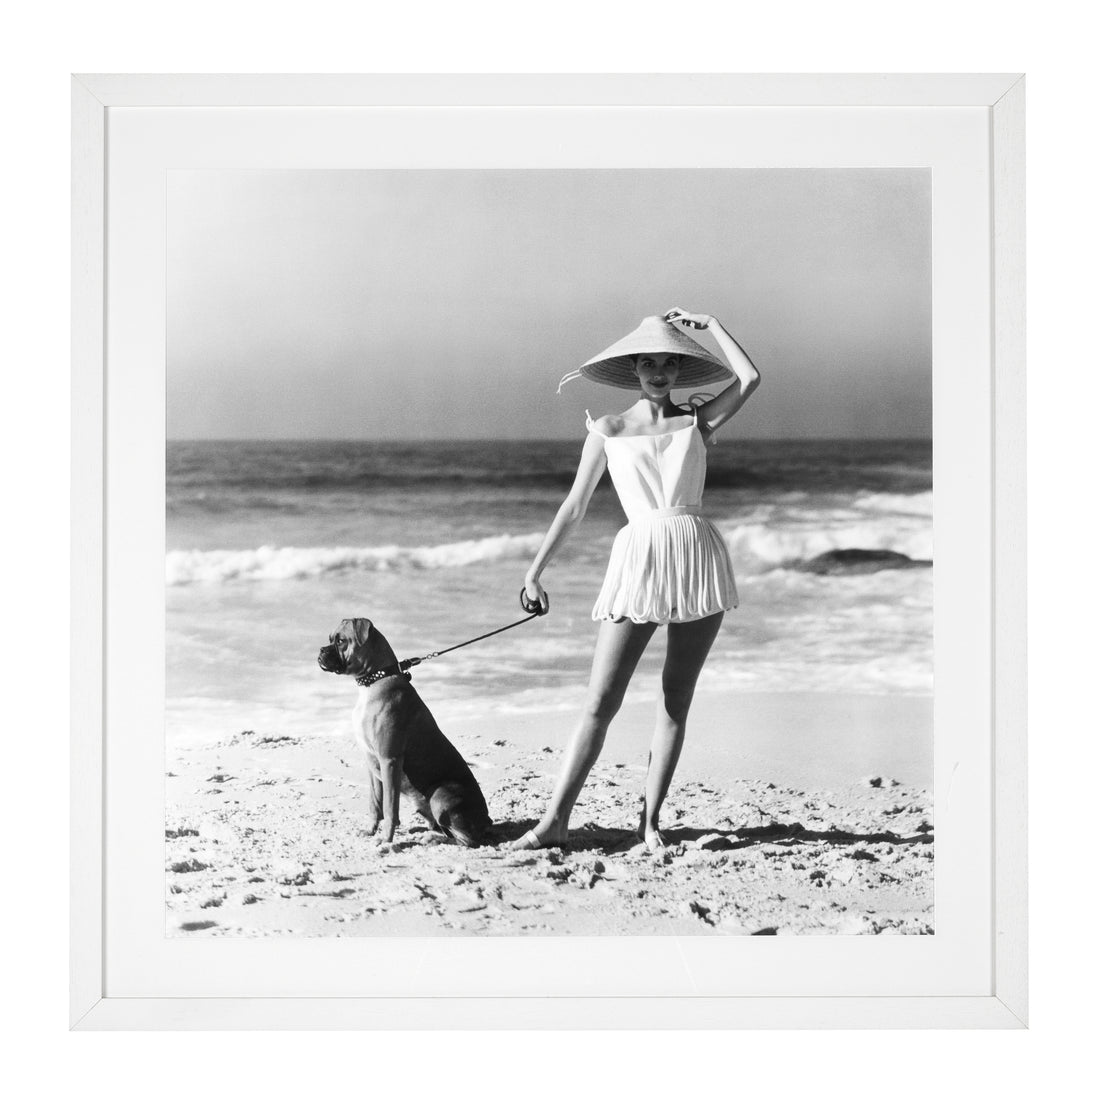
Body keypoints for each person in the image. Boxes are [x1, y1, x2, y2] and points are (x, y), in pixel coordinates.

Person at [511, 307, 762, 852]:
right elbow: (575, 506)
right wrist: (534, 571)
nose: (657, 371)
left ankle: (648, 824)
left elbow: (749, 378)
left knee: (676, 699)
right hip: (640, 558)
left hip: (696, 555)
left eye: (668, 362)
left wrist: (711, 325)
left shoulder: (697, 422)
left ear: (679, 369)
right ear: (631, 369)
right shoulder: (607, 429)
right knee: (601, 701)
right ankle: (554, 821)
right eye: (646, 362)